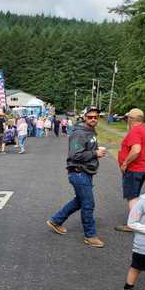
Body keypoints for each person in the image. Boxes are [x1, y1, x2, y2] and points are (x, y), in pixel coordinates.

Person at [46, 106, 107, 248]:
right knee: (88, 204)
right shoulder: (79, 133)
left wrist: (95, 151)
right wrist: (95, 154)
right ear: (84, 117)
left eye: (95, 117)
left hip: (86, 172)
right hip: (79, 172)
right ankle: (90, 236)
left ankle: (56, 220)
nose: (93, 119)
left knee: (80, 201)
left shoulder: (90, 131)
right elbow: (75, 155)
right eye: (90, 116)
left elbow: (86, 150)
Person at [115, 108, 145, 232]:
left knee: (132, 196)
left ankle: (133, 224)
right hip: (143, 168)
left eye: (127, 118)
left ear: (131, 119)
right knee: (136, 194)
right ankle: (139, 219)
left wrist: (125, 163)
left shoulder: (135, 131)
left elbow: (136, 149)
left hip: (134, 168)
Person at [119, 192, 145, 290]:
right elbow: (131, 223)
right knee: (136, 267)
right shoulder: (141, 203)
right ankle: (127, 288)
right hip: (143, 245)